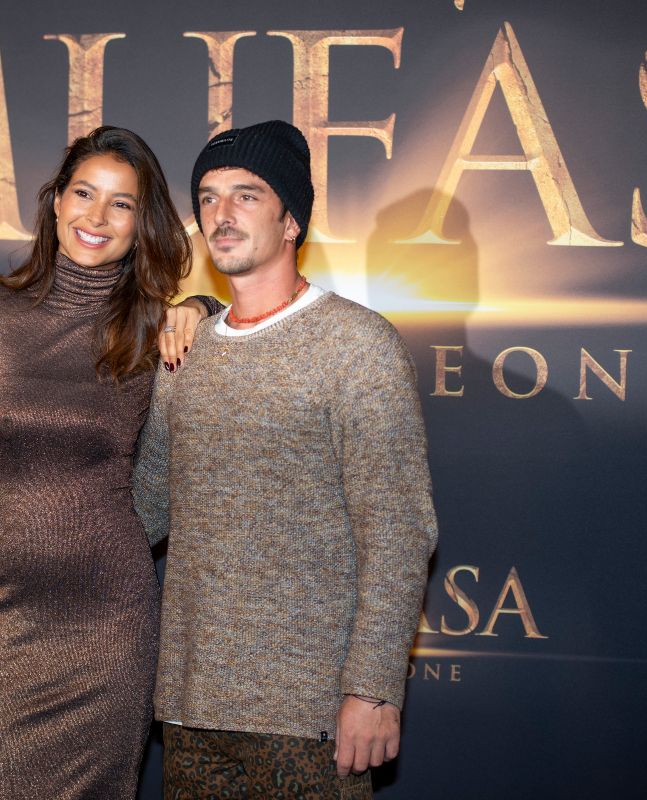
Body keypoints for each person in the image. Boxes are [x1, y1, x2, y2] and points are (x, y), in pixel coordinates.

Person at [131, 120, 438, 798]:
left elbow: (397, 529)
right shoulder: (185, 352)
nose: (222, 214)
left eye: (247, 195)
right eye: (208, 198)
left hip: (311, 719)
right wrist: (20, 506)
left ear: (291, 218)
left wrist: (374, 688)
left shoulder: (357, 346)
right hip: (190, 711)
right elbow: (142, 510)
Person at [0, 126, 209, 799]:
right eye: (84, 193)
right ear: (54, 202)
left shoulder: (150, 329)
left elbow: (245, 323)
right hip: (0, 622)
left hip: (110, 624)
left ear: (142, 224)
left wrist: (201, 305)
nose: (96, 218)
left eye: (121, 204)